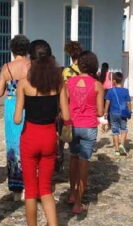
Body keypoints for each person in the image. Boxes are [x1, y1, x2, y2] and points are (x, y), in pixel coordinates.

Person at [14, 40, 63, 226]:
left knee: (31, 190)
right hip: (50, 136)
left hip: (30, 137)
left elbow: (17, 118)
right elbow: (65, 114)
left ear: (30, 59)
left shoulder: (24, 83)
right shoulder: (58, 83)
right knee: (46, 189)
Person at [61, 50, 104, 214]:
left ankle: (71, 193)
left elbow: (64, 103)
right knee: (84, 162)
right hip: (88, 127)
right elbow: (100, 112)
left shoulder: (70, 82)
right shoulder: (97, 85)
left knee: (72, 158)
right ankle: (78, 203)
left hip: (72, 125)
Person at [0, 35, 31, 200]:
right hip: (28, 104)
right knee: (28, 142)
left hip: (11, 105)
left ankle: (17, 188)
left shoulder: (6, 68)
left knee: (13, 144)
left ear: (12, 49)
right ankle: (29, 185)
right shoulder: (31, 66)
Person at [56, 40, 84, 172]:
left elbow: (63, 91)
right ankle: (78, 159)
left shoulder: (66, 71)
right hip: (81, 106)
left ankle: (60, 158)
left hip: (68, 106)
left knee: (62, 135)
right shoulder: (85, 71)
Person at [104, 72, 131, 155]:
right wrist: (129, 111)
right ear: (122, 80)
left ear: (114, 81)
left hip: (113, 113)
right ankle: (122, 145)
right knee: (124, 129)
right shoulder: (125, 91)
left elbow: (107, 102)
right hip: (123, 113)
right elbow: (128, 103)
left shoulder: (110, 91)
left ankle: (116, 149)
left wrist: (105, 112)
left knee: (115, 131)